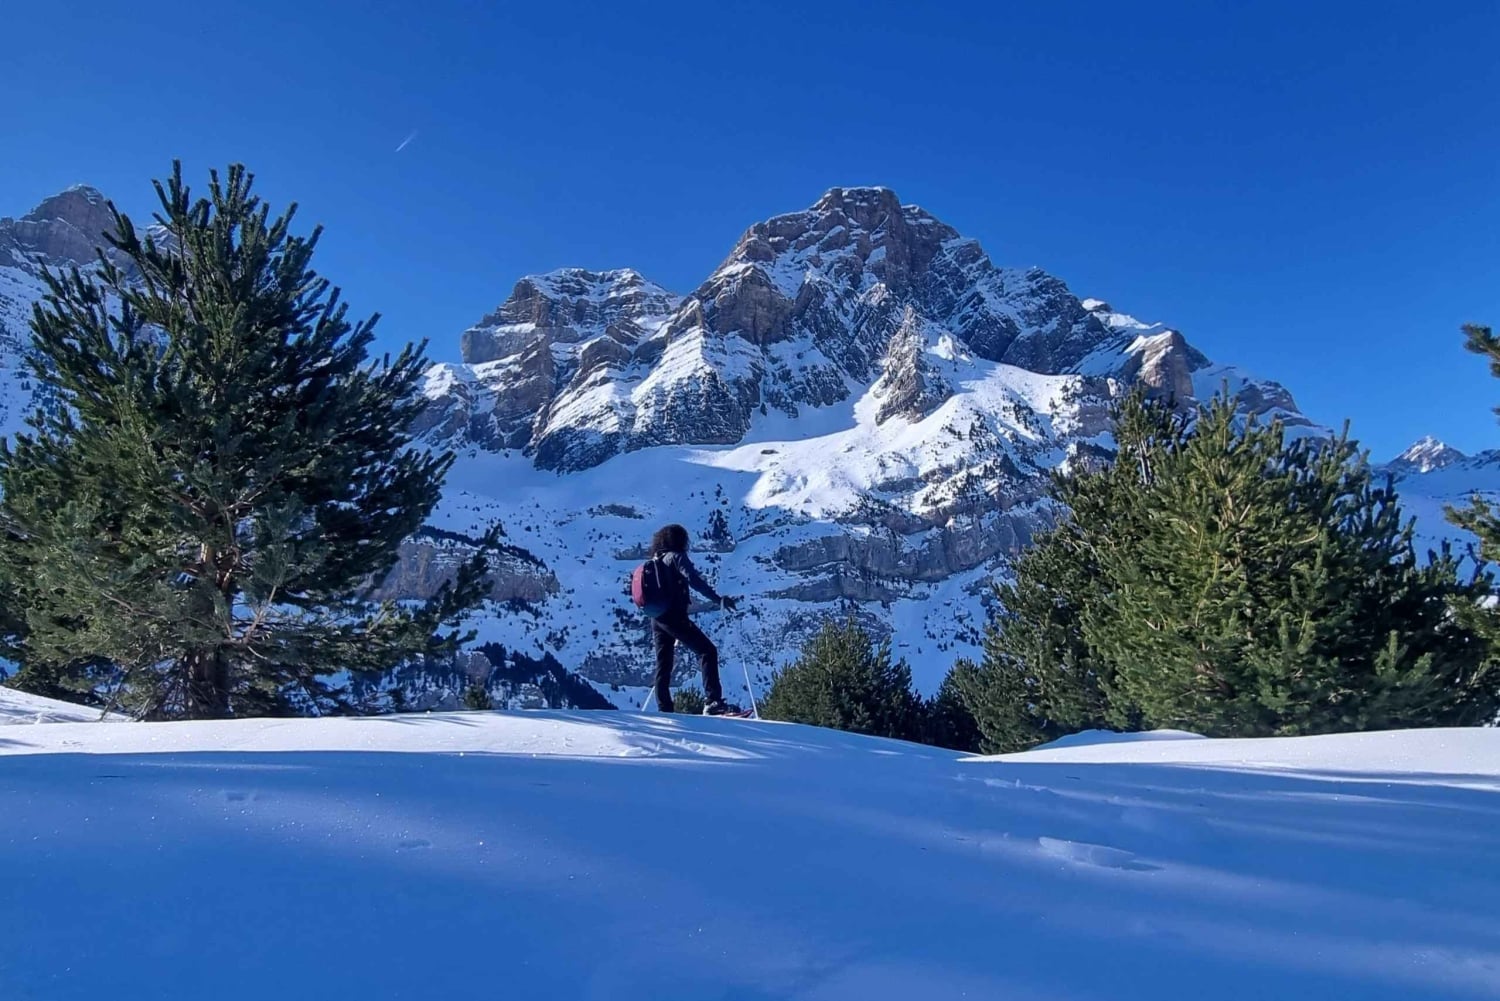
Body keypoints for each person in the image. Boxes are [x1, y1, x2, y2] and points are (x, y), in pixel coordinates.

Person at [647, 523, 741, 715]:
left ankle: (665, 710)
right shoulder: (676, 557)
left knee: (663, 665)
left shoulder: (656, 559)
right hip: (674, 616)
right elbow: (693, 579)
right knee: (707, 651)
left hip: (657, 618)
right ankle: (713, 702)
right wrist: (718, 599)